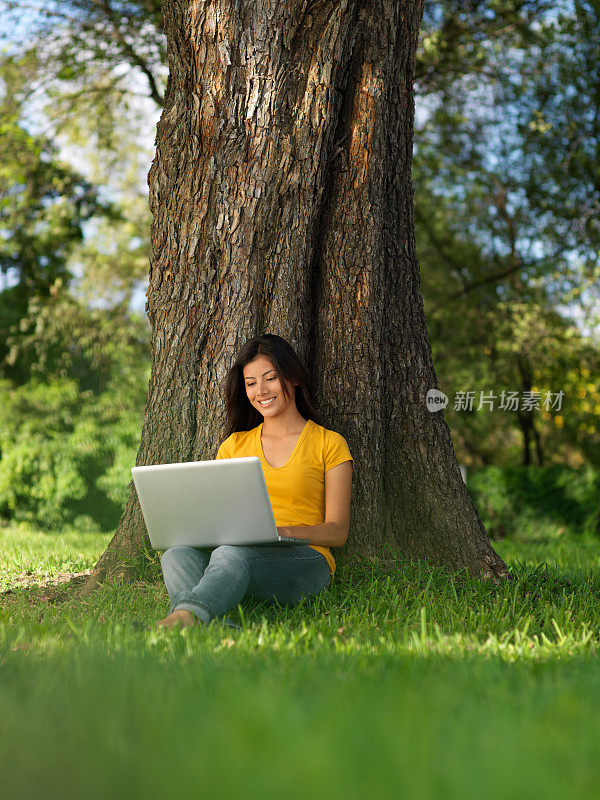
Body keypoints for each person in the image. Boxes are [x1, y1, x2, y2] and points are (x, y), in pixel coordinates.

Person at [156, 333, 354, 630]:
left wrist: (278, 532)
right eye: (251, 383)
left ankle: (184, 617)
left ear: (294, 378)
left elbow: (337, 533)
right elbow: (219, 517)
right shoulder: (233, 446)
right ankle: (209, 625)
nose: (261, 390)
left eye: (270, 378)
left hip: (307, 563)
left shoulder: (329, 443)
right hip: (236, 555)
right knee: (176, 554)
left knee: (232, 554)